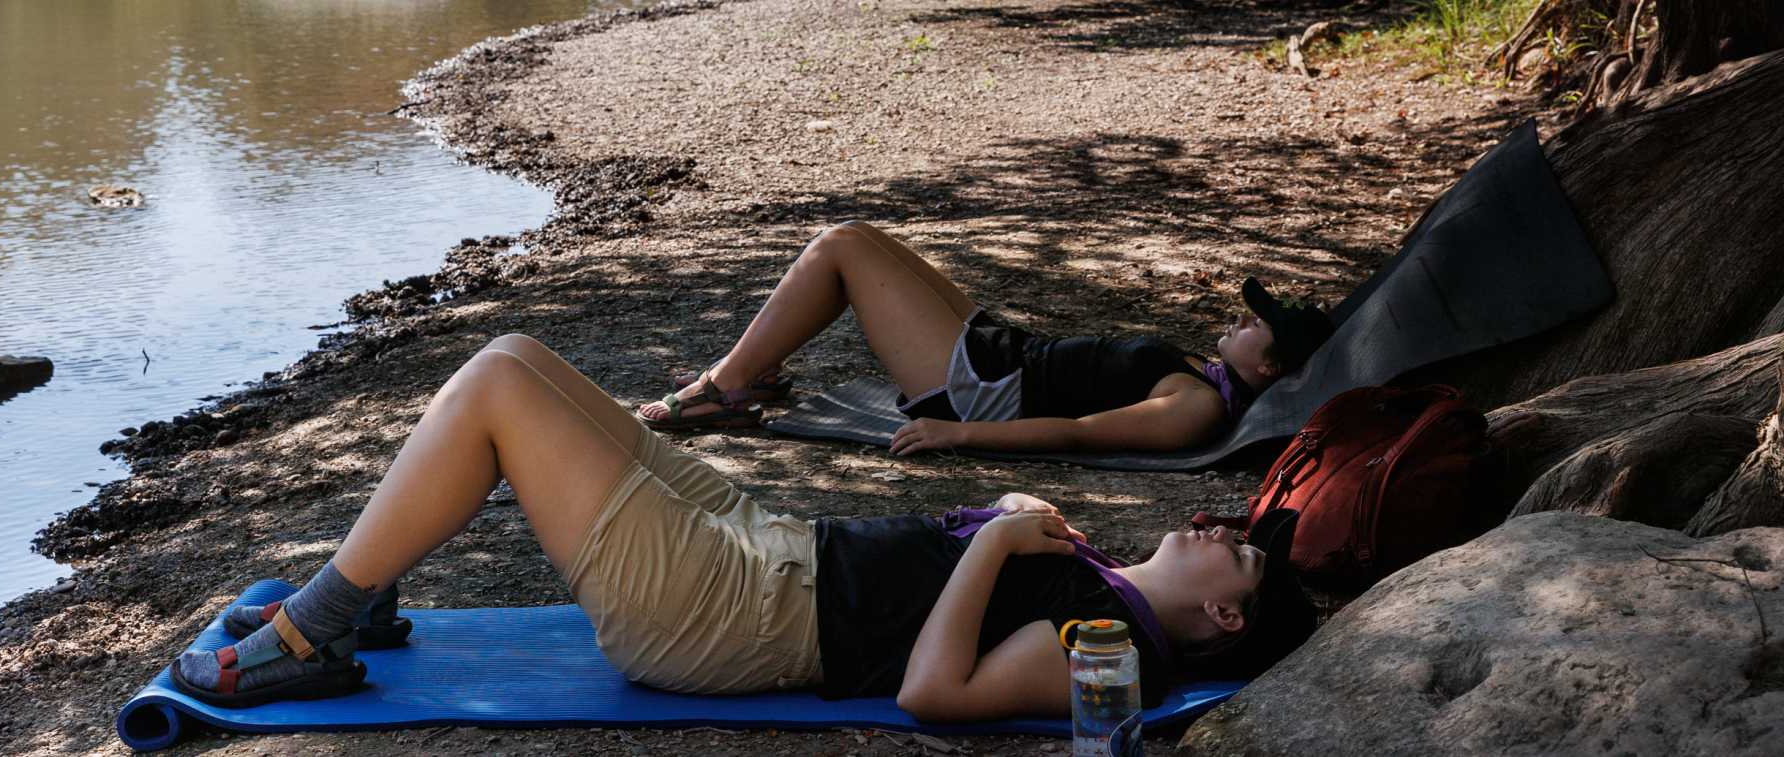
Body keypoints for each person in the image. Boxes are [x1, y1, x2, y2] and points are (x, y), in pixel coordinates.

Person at [167, 334, 1316, 719]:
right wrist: (1016, 529)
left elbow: (932, 696)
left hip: (725, 619)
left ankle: (313, 636)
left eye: (1240, 552)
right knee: (514, 360)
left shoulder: (1111, 653)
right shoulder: (1100, 589)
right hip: (760, 546)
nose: (1219, 528)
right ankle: (357, 593)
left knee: (493, 396)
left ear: (1222, 612)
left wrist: (995, 538)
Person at [639, 221, 1334, 455]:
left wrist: (955, 435)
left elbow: (1080, 433)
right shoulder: (1204, 376)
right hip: (998, 353)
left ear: (1270, 368)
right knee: (866, 239)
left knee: (841, 247)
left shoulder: (1198, 406)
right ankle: (748, 372)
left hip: (979, 392)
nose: (1240, 318)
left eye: (1254, 324)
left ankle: (723, 390)